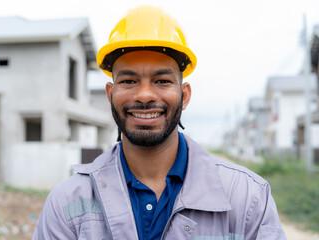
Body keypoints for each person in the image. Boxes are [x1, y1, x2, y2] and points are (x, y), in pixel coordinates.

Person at [33, 5, 286, 240]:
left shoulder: (248, 197)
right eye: (129, 81)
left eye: (162, 81)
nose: (144, 95)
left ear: (184, 95)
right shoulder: (66, 202)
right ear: (110, 95)